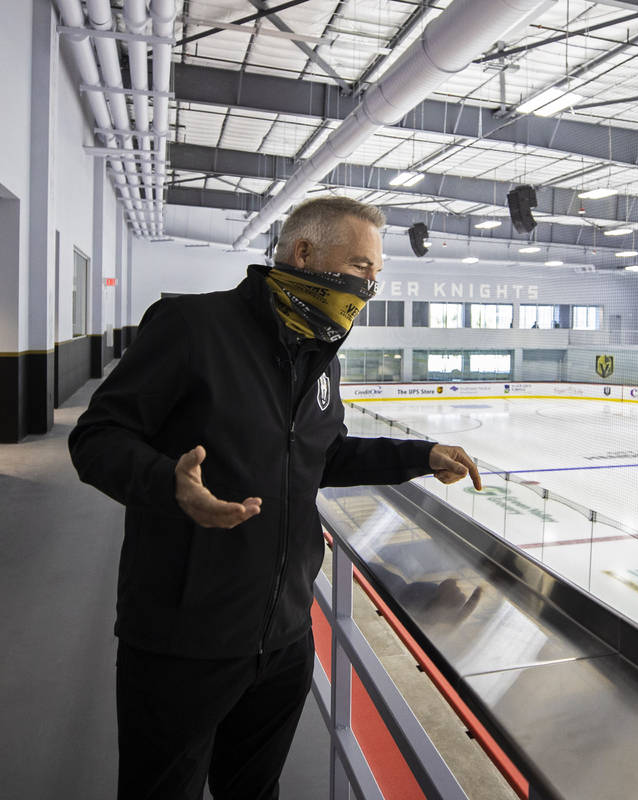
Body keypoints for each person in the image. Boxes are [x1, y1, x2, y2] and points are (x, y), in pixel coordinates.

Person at [68, 196, 482, 799]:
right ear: (304, 253)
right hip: (184, 638)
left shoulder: (320, 357)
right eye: (360, 267)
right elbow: (97, 437)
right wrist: (168, 484)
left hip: (284, 638)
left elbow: (322, 455)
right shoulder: (192, 326)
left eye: (376, 273)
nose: (370, 286)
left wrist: (419, 456)